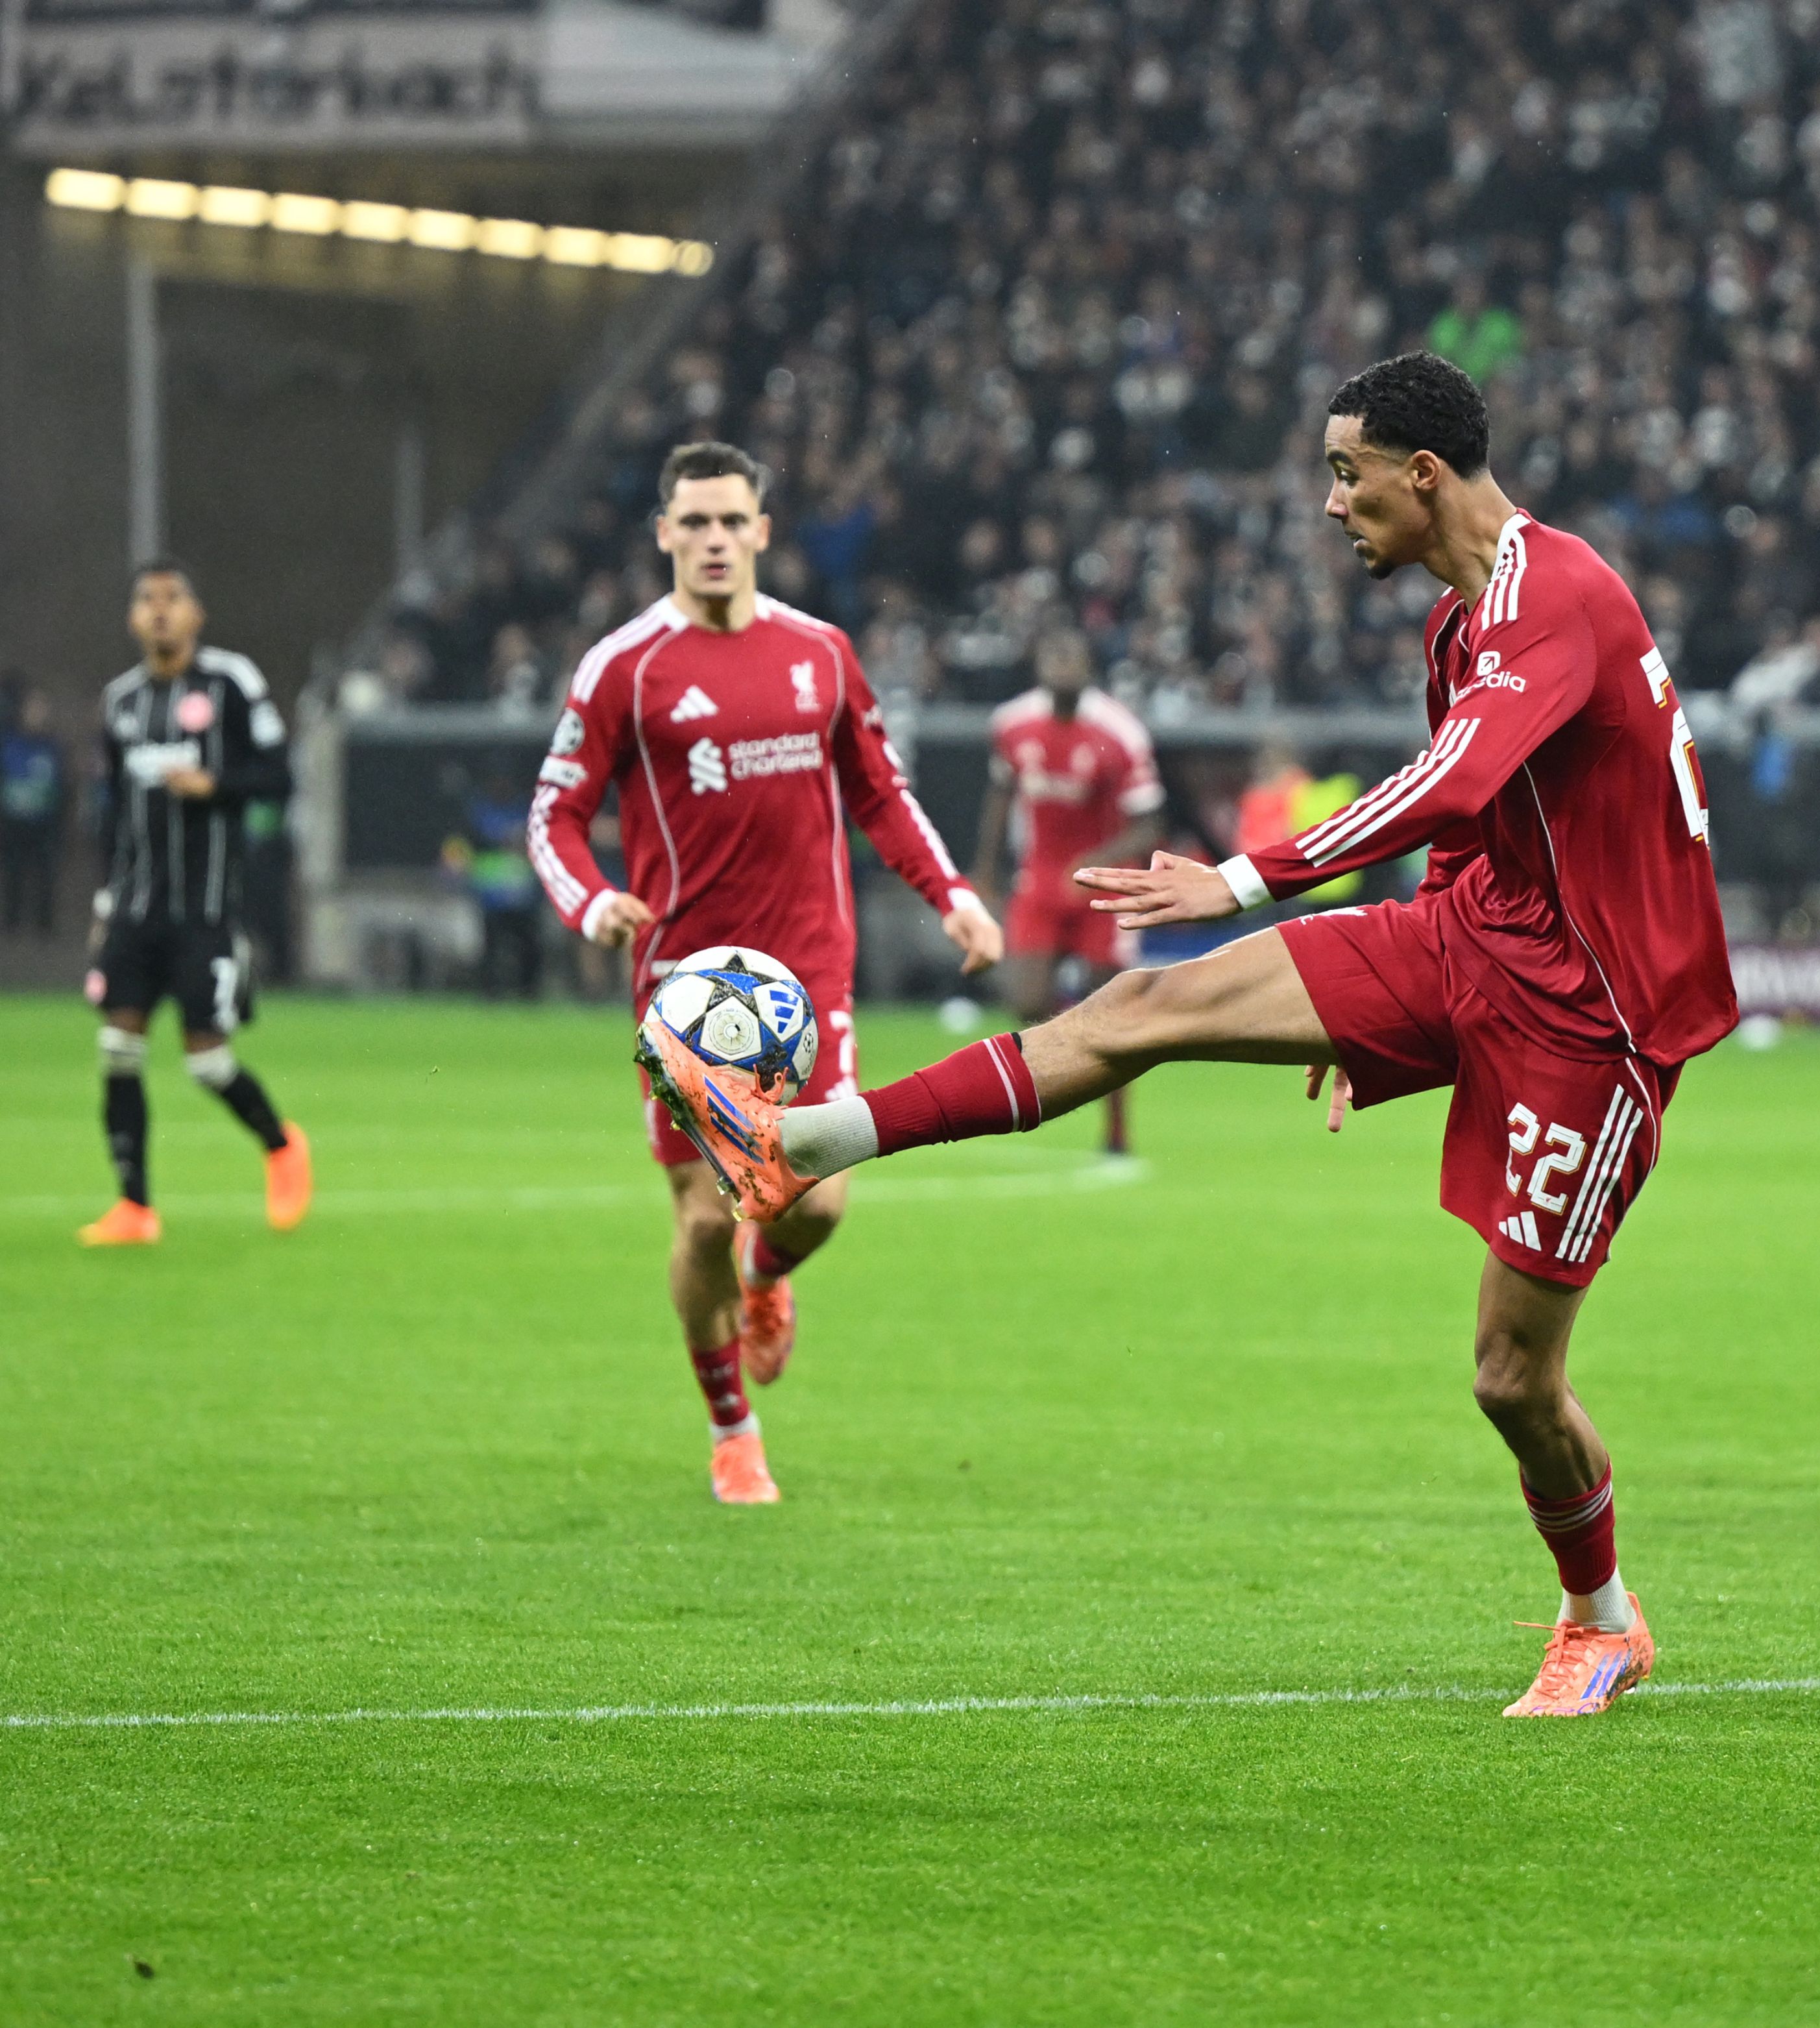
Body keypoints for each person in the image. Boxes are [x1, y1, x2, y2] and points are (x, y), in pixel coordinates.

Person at [639, 353, 1738, 1715]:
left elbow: (1457, 774)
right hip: (1475, 938)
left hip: (1602, 1017)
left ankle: (1604, 1617)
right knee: (1144, 1004)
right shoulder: (1459, 625)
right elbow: (1484, 825)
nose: (1331, 506)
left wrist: (1242, 875)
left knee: (1512, 1378)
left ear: (1424, 475)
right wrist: (1385, 1017)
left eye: (1345, 474)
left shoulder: (1553, 594)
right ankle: (803, 1136)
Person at [528, 441, 1001, 1505]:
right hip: (684, 992)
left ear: (760, 531)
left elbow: (880, 792)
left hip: (808, 977)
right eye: (690, 523)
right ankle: (730, 1427)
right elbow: (552, 812)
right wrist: (592, 900)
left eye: (729, 521)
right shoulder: (624, 668)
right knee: (701, 1216)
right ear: (663, 535)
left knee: (815, 1209)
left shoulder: (822, 654)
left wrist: (953, 895)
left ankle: (767, 1277)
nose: (711, 540)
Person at [78, 563, 311, 1246]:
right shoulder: (120, 701)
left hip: (204, 910)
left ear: (196, 614)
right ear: (132, 618)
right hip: (132, 910)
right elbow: (110, 813)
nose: (158, 611)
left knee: (207, 1060)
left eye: (172, 599)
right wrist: (102, 899)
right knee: (118, 1047)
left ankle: (280, 1145)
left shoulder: (230, 683)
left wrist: (214, 784)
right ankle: (134, 1206)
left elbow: (278, 776)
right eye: (146, 600)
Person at [972, 629, 1162, 1156]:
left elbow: (1150, 823)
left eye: (1071, 657)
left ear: (1087, 667)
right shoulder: (1012, 724)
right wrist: (985, 866)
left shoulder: (1119, 732)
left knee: (1114, 1009)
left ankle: (1118, 1133)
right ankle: (1073, 1035)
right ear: (1039, 663)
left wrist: (1097, 859)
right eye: (1053, 655)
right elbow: (1000, 792)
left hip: (1103, 883)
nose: (1061, 665)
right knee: (1026, 1000)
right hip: (1041, 878)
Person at [3, 679, 71, 935]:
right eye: (33, 708)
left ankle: (45, 927)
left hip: (44, 823)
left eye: (41, 708)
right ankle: (12, 925)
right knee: (14, 873)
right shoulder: (9, 743)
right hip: (14, 822)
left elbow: (64, 786)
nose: (37, 714)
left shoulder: (53, 747)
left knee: (45, 874)